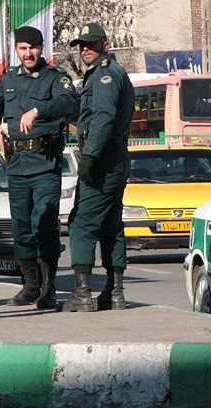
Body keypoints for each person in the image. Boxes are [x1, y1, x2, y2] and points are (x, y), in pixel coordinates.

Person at [0, 26, 76, 309]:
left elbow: (68, 101)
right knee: (21, 227)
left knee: (45, 223)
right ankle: (30, 285)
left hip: (44, 162)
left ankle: (49, 288)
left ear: (42, 49)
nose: (28, 54)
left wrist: (38, 111)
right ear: (16, 50)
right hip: (16, 165)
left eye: (33, 48)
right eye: (23, 48)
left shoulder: (55, 78)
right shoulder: (7, 80)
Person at [65, 23, 134, 312]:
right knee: (111, 224)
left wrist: (90, 156)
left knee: (81, 222)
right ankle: (114, 292)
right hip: (115, 156)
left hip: (103, 159)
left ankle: (83, 294)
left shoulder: (105, 74)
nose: (84, 49)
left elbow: (103, 117)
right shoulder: (111, 72)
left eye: (91, 44)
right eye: (81, 45)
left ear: (105, 45)